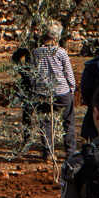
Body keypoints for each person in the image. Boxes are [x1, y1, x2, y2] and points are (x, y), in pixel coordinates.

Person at [31, 22, 78, 157]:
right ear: (56, 37)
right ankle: (70, 153)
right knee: (68, 122)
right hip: (62, 92)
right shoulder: (61, 52)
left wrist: (36, 88)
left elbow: (33, 75)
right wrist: (72, 88)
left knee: (46, 123)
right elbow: (68, 73)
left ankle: (48, 152)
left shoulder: (36, 52)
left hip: (43, 92)